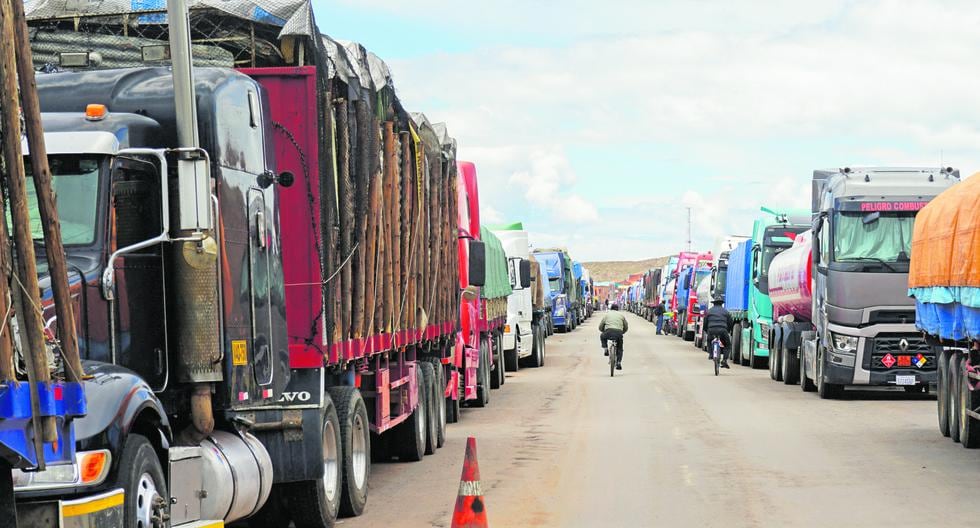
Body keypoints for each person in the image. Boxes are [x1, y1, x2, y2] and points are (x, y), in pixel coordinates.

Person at [704, 297, 733, 368]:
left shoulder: (709, 311)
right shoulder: (726, 312)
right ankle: (724, 360)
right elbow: (730, 323)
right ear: (721, 304)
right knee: (727, 345)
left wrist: (706, 331)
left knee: (709, 341)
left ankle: (711, 354)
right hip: (723, 330)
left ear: (714, 304)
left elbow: (705, 323)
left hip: (711, 330)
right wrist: (728, 331)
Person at [599, 303, 629, 370]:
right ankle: (618, 362)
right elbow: (626, 327)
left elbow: (601, 326)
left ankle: (605, 348)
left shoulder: (607, 315)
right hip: (619, 333)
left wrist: (603, 331)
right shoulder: (621, 316)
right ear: (617, 309)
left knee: (602, 336)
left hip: (608, 332)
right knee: (620, 348)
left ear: (611, 308)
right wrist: (622, 332)